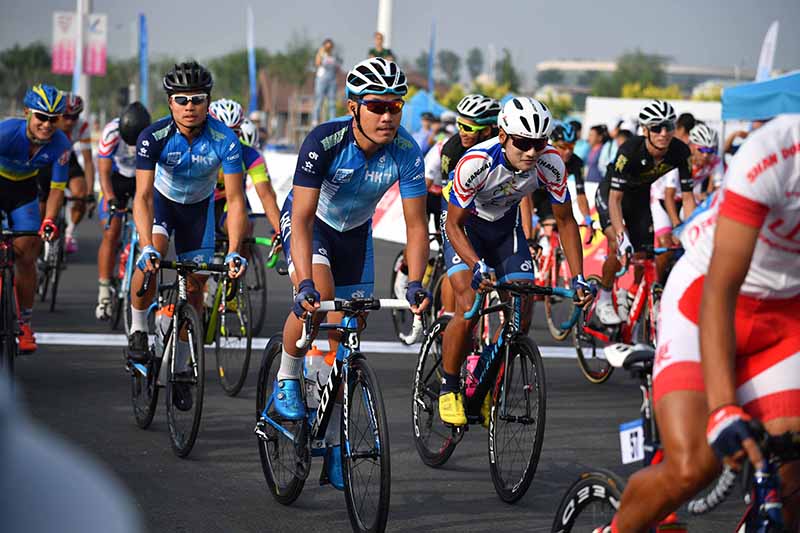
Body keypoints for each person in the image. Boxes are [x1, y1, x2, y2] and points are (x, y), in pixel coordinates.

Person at [598, 114, 800, 533]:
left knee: (791, 475)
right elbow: (721, 290)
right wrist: (723, 407)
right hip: (707, 294)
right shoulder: (776, 151)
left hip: (787, 321)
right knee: (694, 465)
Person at [273, 57, 431, 487]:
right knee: (319, 301)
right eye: (377, 106)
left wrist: (416, 282)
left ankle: (334, 441)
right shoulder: (324, 141)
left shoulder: (406, 151)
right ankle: (286, 376)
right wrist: (304, 281)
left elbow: (417, 226)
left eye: (395, 107)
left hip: (356, 234)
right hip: (312, 225)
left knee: (349, 332)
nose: (387, 116)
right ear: (353, 107)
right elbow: (302, 218)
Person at [437, 97, 593, 426]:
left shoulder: (551, 162)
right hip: (465, 228)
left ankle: (483, 380)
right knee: (469, 305)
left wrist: (578, 277)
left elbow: (566, 221)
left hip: (505, 230)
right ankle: (449, 387)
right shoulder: (476, 162)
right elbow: (453, 225)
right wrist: (477, 265)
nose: (532, 152)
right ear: (503, 136)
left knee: (521, 311)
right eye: (523, 143)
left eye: (540, 143)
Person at [128, 61, 248, 388]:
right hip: (162, 204)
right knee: (152, 257)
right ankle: (138, 328)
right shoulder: (153, 137)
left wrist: (234, 250)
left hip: (198, 211)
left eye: (197, 99)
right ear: (170, 103)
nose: (189, 106)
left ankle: (181, 362)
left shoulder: (225, 139)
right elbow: (142, 196)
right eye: (181, 100)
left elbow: (236, 199)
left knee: (195, 288)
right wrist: (146, 245)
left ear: (208, 102)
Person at [396, 94, 501, 318]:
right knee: (433, 240)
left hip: (471, 198)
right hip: (434, 192)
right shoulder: (451, 149)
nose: (461, 131)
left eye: (468, 127)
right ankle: (405, 269)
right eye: (459, 125)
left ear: (487, 130)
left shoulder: (499, 146)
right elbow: (445, 196)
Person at [594, 100, 695, 325]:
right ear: (645, 130)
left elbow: (688, 197)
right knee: (617, 245)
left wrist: (691, 231)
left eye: (668, 127)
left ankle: (629, 294)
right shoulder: (629, 151)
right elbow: (615, 199)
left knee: (644, 255)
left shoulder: (681, 151)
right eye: (656, 128)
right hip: (612, 194)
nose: (663, 133)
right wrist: (621, 234)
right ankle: (604, 297)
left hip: (639, 197)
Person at [0, 84, 71, 352]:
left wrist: (49, 220)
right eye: (41, 117)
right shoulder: (6, 133)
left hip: (25, 192)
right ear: (27, 113)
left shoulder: (61, 145)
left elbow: (57, 188)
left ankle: (25, 323)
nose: (47, 124)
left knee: (27, 254)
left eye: (54, 119)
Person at [94, 102, 151, 320]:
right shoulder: (111, 132)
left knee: (147, 226)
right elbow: (103, 172)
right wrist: (110, 199)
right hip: (116, 179)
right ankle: (104, 292)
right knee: (111, 232)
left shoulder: (153, 134)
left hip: (140, 179)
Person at [208, 98, 282, 238]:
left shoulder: (250, 154)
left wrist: (281, 233)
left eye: (234, 132)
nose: (228, 138)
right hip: (201, 204)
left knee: (243, 228)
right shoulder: (196, 147)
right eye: (223, 132)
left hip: (231, 204)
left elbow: (266, 196)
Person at [36, 92, 94, 254]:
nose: (70, 121)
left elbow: (88, 161)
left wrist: (90, 193)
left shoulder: (82, 126)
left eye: (75, 117)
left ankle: (69, 233)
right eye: (66, 116)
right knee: (41, 205)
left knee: (80, 194)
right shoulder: (49, 123)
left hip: (67, 157)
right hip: (45, 158)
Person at [652, 123, 723, 250]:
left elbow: (720, 193)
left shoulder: (715, 161)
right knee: (666, 243)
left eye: (710, 151)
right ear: (692, 146)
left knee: (694, 236)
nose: (706, 155)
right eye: (702, 150)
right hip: (661, 198)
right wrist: (677, 225)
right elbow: (669, 196)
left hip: (686, 198)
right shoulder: (679, 159)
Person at [312, 39, 339, 126]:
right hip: (322, 79)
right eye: (327, 46)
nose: (329, 48)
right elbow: (317, 63)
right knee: (319, 100)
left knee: (332, 102)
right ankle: (315, 120)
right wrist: (321, 53)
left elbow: (337, 67)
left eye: (330, 46)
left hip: (332, 79)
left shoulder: (334, 55)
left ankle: (332, 121)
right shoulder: (321, 53)